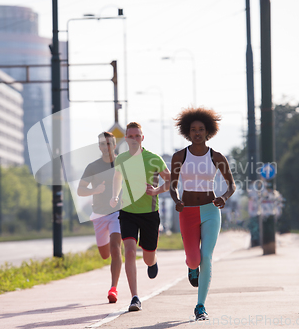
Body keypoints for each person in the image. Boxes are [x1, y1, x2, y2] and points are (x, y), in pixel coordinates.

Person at [170, 107, 236, 321]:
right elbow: (172, 186)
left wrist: (223, 198)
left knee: (206, 257)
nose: (197, 133)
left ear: (208, 132)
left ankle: (200, 306)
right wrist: (177, 200)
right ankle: (191, 268)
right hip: (187, 212)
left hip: (210, 211)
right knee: (193, 259)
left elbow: (231, 185)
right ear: (187, 132)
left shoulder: (216, 157)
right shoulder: (179, 156)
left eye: (201, 129)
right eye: (193, 129)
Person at [110, 122, 171, 312]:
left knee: (147, 258)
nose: (134, 139)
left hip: (150, 214)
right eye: (131, 136)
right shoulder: (121, 159)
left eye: (138, 136)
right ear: (126, 139)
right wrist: (114, 195)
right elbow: (117, 179)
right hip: (127, 212)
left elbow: (170, 180)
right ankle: (135, 297)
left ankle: (153, 261)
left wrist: (157, 190)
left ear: (142, 138)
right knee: (128, 250)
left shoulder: (153, 159)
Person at [77, 132, 122, 303]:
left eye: (109, 143)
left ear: (114, 145)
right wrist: (94, 191)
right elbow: (80, 190)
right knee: (105, 254)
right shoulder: (92, 167)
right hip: (99, 215)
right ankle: (112, 262)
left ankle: (113, 288)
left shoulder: (122, 163)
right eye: (102, 144)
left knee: (116, 249)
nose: (106, 147)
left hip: (117, 212)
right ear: (99, 146)